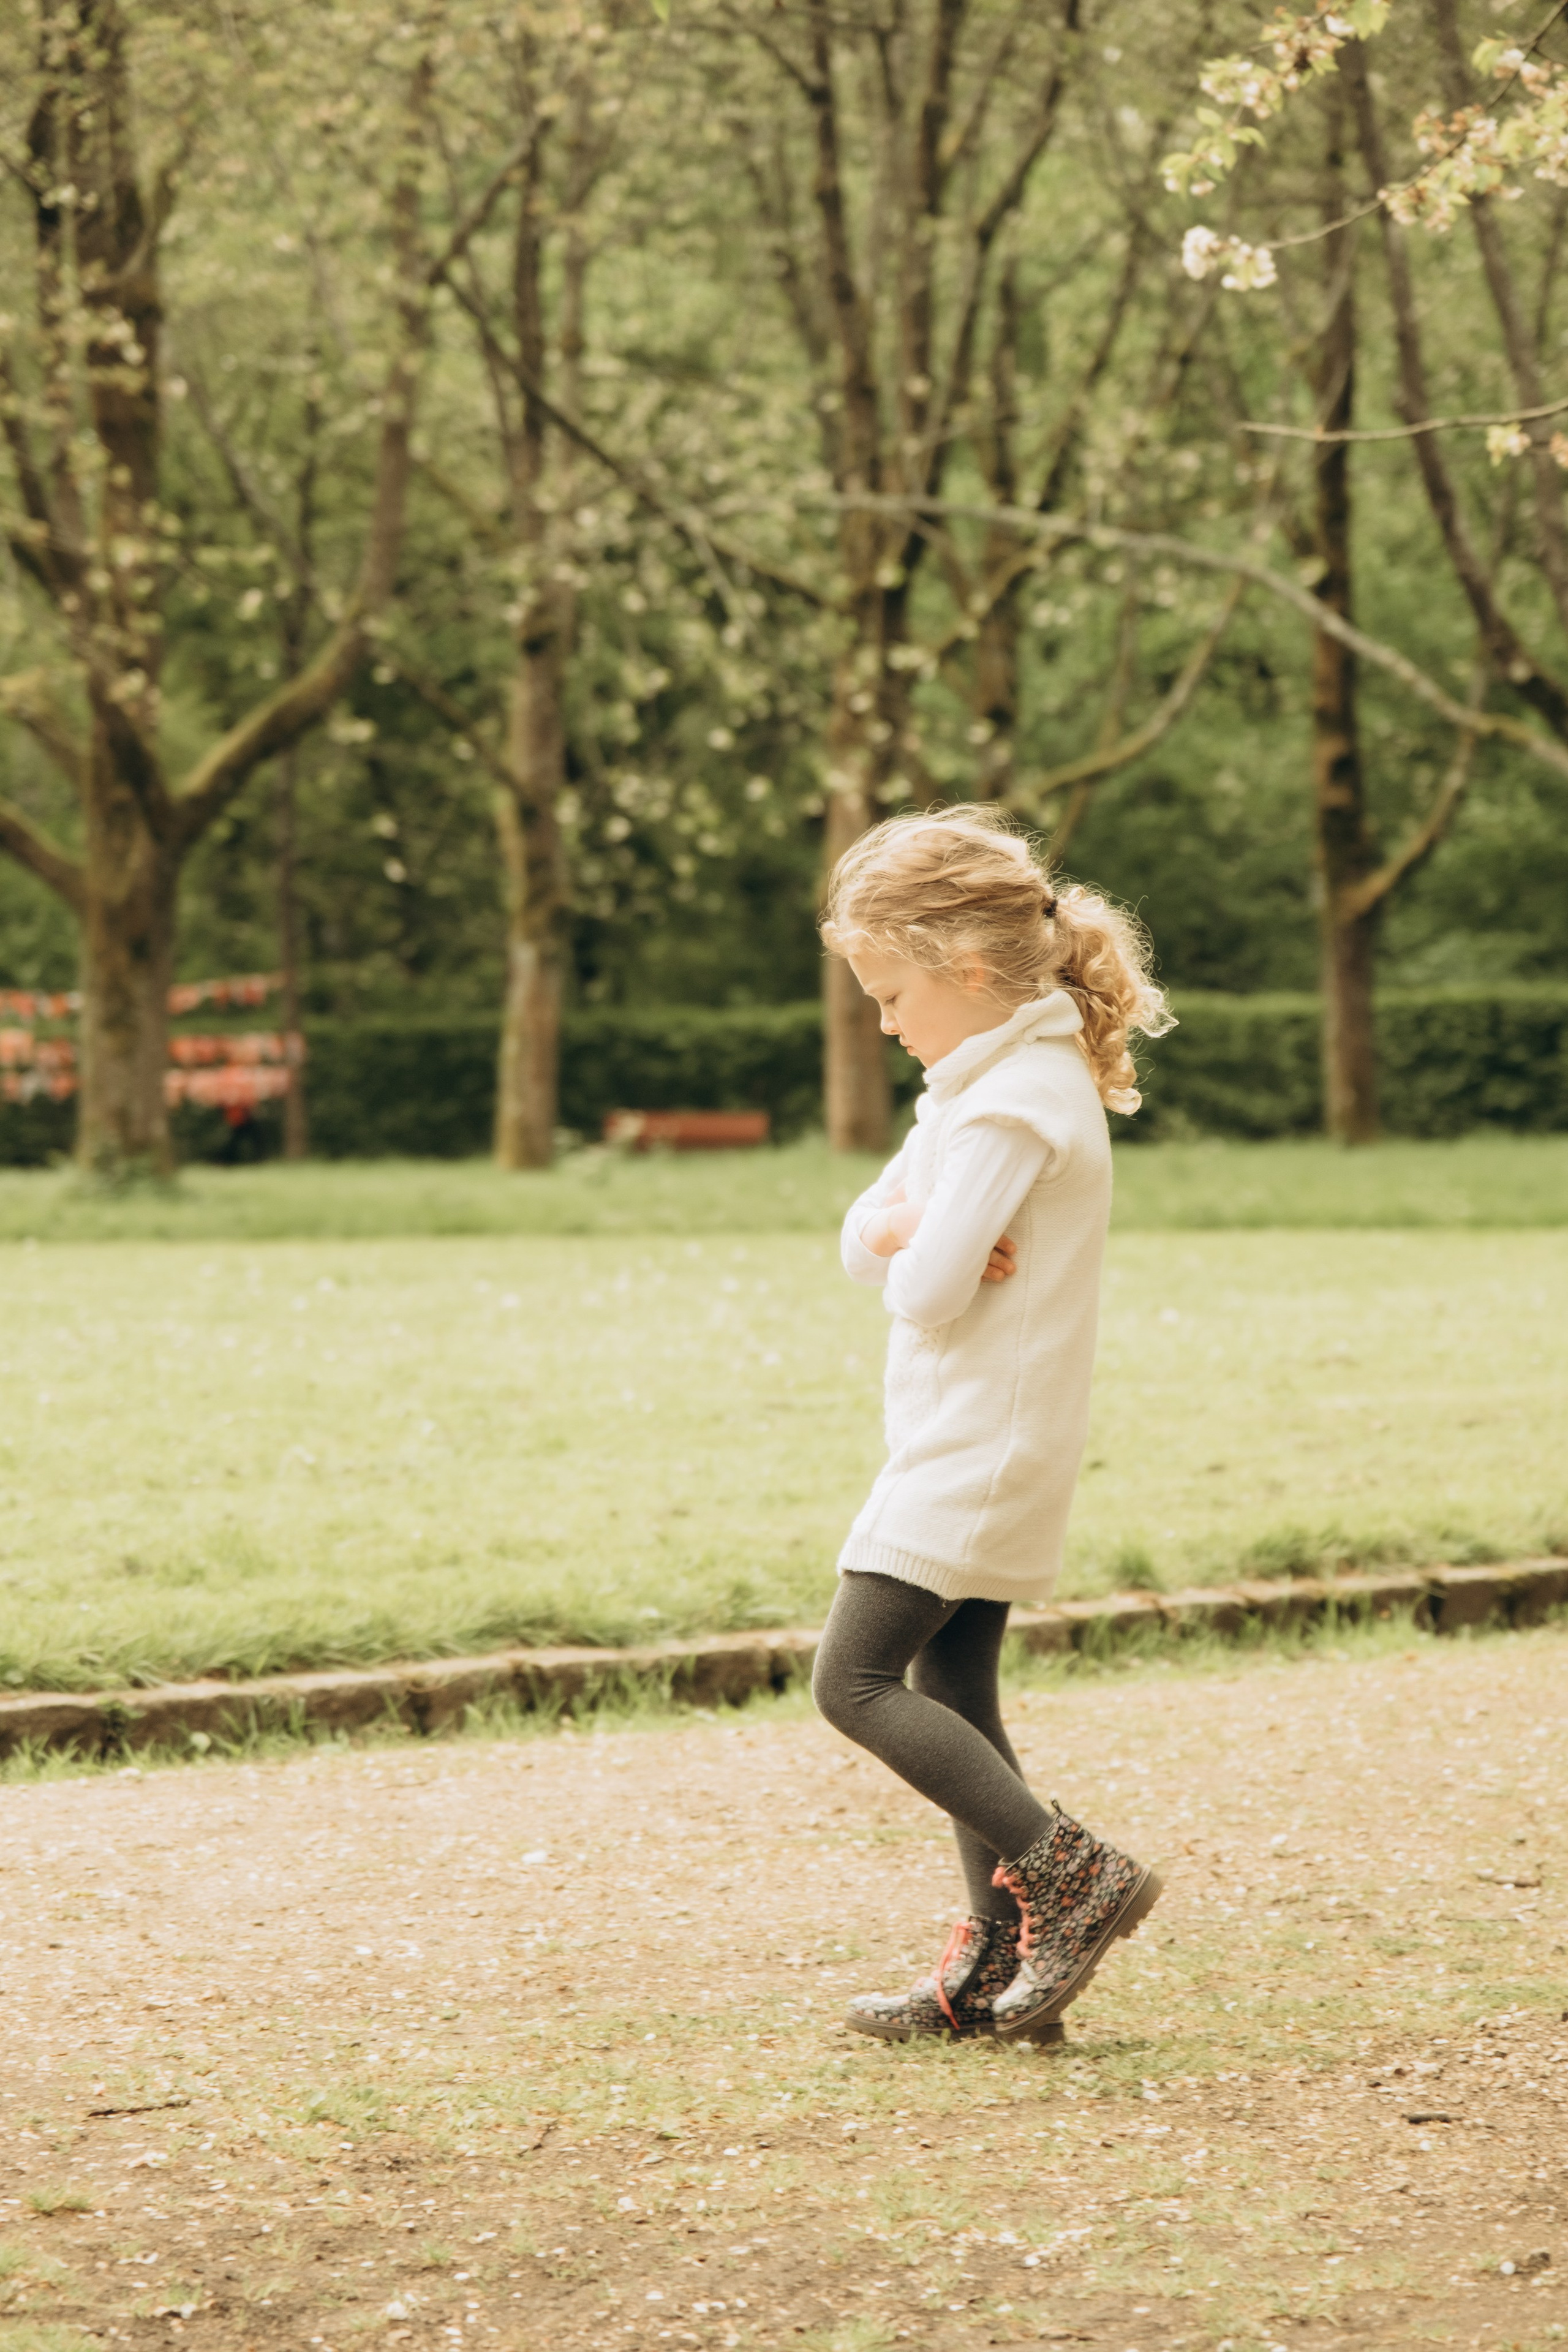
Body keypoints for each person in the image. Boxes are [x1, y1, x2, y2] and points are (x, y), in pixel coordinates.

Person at [812, 805, 1171, 2045]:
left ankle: (1070, 1874)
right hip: (968, 1432)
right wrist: (908, 1232)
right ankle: (1001, 1970)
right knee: (948, 1677)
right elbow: (865, 1237)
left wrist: (909, 1241)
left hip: (979, 1444)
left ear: (964, 969)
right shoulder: (977, 1082)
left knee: (851, 1679)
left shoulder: (1012, 1105)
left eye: (892, 990)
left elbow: (913, 1283)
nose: (882, 1019)